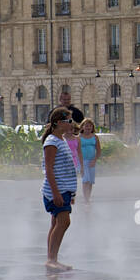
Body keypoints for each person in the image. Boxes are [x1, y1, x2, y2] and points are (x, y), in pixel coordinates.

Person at [41, 108, 78, 271]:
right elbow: (48, 169)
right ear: (58, 122)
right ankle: (51, 259)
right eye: (69, 121)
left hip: (64, 189)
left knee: (56, 222)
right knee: (64, 222)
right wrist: (56, 193)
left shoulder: (59, 139)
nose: (71, 124)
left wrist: (72, 192)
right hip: (56, 190)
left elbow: (66, 168)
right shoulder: (51, 142)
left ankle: (52, 259)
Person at [58, 91, 85, 172]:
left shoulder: (77, 112)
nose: (66, 101)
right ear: (60, 99)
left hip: (74, 140)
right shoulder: (55, 112)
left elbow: (82, 126)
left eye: (68, 99)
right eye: (64, 99)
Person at [78, 118, 100, 204]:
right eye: (86, 125)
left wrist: (94, 160)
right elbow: (77, 150)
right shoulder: (79, 137)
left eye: (90, 126)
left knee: (90, 181)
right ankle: (85, 199)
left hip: (91, 161)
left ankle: (88, 197)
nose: (88, 127)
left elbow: (98, 150)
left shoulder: (95, 137)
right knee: (85, 180)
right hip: (82, 161)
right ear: (82, 127)